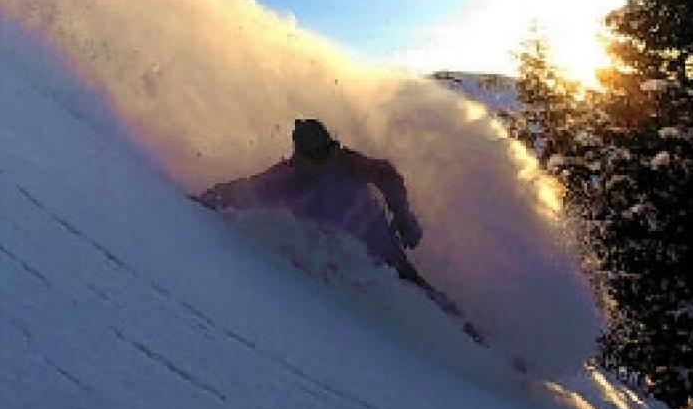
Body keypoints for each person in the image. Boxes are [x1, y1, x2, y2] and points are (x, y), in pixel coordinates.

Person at [200, 119, 484, 344]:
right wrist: (209, 199)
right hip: (341, 259)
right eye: (318, 156)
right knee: (371, 302)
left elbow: (388, 175)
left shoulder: (346, 161)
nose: (327, 160)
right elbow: (246, 190)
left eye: (328, 151)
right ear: (301, 157)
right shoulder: (287, 178)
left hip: (381, 246)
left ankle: (481, 346)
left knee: (420, 291)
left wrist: (403, 216)